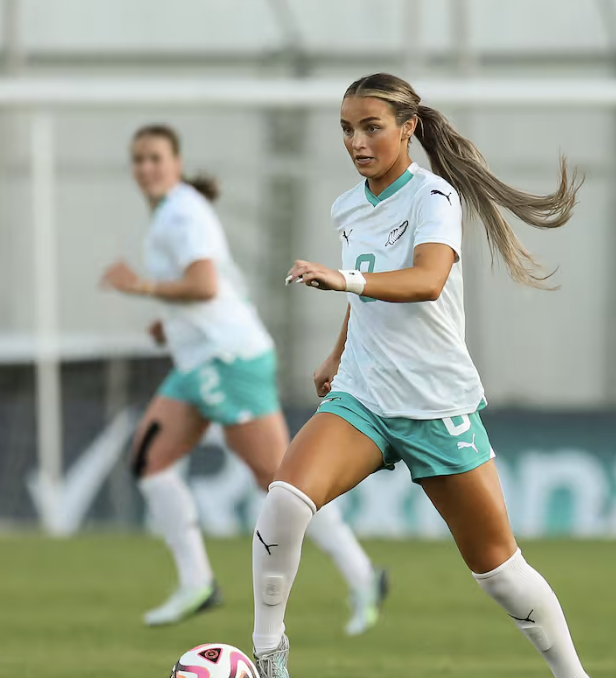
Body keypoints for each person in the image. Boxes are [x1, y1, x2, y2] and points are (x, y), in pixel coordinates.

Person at [250, 73, 590, 678]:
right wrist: (337, 352)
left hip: (434, 403)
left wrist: (343, 280)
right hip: (363, 395)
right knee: (285, 500)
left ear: (408, 128)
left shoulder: (434, 197)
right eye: (347, 129)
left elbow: (426, 281)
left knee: (500, 572)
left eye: (371, 127)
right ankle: (269, 656)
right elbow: (368, 291)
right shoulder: (348, 206)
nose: (357, 142)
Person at [101, 125, 387, 632]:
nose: (146, 168)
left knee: (282, 481)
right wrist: (170, 322)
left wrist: (141, 286)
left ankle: (362, 574)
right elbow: (216, 286)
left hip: (228, 360)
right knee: (150, 462)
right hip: (199, 361)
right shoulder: (174, 211)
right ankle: (197, 583)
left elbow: (204, 284)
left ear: (176, 162)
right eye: (139, 159)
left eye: (155, 157)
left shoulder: (183, 213)